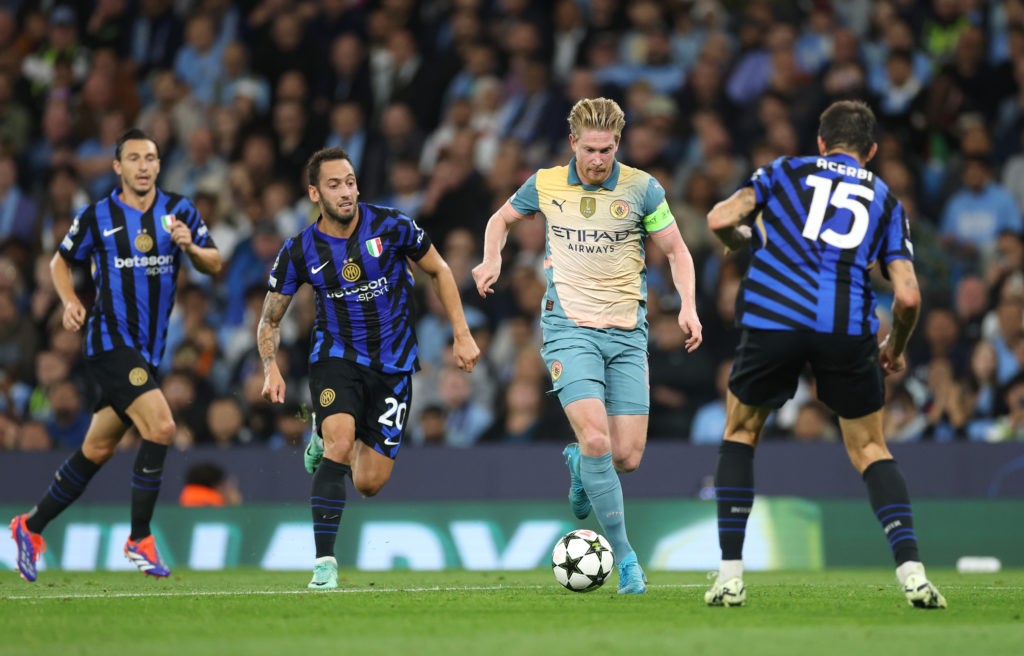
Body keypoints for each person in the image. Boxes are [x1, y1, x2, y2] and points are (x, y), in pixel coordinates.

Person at [703, 100, 946, 609]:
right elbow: (907, 296)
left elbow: (720, 217)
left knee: (741, 431)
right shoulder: (885, 199)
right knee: (870, 449)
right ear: (872, 152)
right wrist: (895, 350)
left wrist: (741, 238)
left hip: (773, 319)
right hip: (845, 327)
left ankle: (729, 577)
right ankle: (913, 574)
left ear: (820, 143)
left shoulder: (785, 170)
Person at [471, 97, 702, 594]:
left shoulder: (642, 188)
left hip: (627, 334)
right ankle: (627, 560)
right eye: (591, 149)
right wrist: (492, 259)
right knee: (599, 440)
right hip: (567, 329)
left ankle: (578, 463)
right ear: (573, 143)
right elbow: (499, 220)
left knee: (627, 456)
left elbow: (678, 252)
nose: (599, 159)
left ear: (618, 144)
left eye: (608, 148)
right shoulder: (547, 183)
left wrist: (688, 306)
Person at [258, 147, 480, 589]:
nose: (346, 192)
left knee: (369, 483)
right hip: (335, 357)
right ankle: (324, 564)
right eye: (335, 185)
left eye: (351, 182)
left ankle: (324, 439)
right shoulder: (300, 250)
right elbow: (270, 319)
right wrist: (271, 367)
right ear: (314, 193)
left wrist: (462, 331)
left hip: (395, 366)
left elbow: (438, 270)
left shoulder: (393, 225)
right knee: (340, 442)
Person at [9, 128, 222, 583]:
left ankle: (30, 526)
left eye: (151, 158)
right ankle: (139, 538)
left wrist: (190, 246)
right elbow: (58, 262)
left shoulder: (179, 211)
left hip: (148, 352)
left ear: (159, 166)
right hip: (109, 341)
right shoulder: (97, 215)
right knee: (162, 426)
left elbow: (214, 263)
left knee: (98, 447)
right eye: (134, 158)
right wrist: (69, 300)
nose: (143, 166)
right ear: (117, 167)